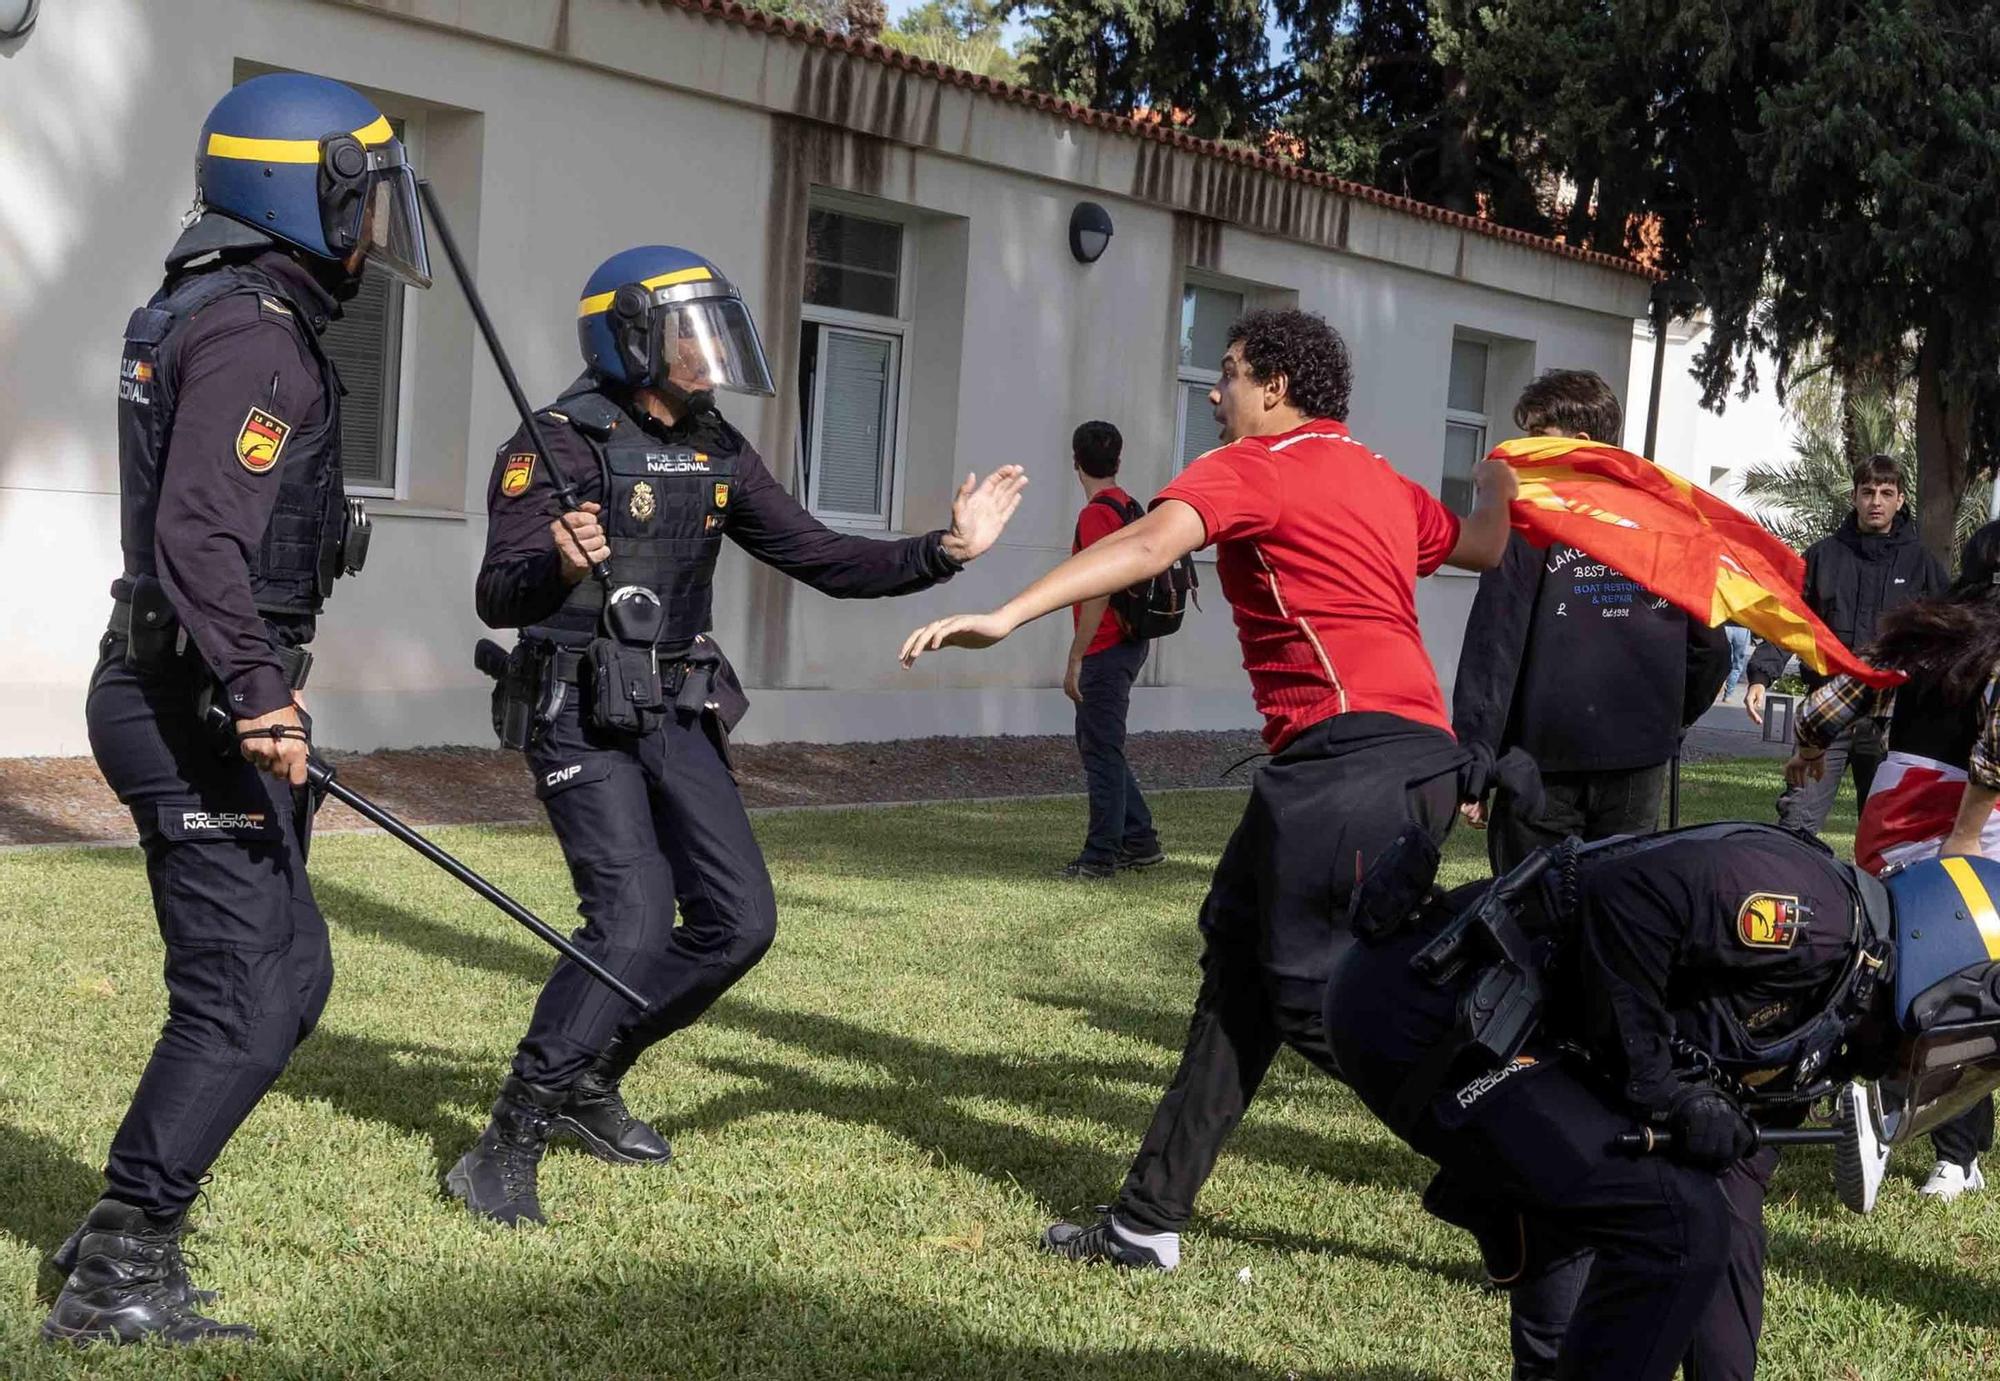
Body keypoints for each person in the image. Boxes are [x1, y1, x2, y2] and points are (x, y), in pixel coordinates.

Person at [900, 308, 1516, 1269]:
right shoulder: (1383, 478)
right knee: (1240, 972)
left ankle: (1529, 1165)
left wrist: (1008, 614)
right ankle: (1147, 1219)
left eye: (1227, 373)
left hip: (1347, 766)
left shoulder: (1254, 466)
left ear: (1275, 386)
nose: (1215, 392)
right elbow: (1483, 545)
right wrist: (1501, 482)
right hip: (1398, 764)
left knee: (1320, 999)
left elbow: (1150, 544)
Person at [451, 245, 1026, 1227]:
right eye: (692, 335)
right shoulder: (557, 441)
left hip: (677, 702)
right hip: (578, 708)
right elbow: (498, 594)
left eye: (717, 332)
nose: (710, 354)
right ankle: (507, 1140)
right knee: (631, 919)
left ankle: (592, 1074)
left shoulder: (715, 444)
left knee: (738, 920)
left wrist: (947, 550)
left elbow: (822, 556)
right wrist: (557, 563)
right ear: (631, 338)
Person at [44, 74, 433, 1346]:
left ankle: (113, 1237)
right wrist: (260, 693)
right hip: (192, 701)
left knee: (284, 972)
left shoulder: (205, 306)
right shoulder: (257, 332)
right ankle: (117, 1272)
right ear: (301, 194)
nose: (372, 228)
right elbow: (200, 533)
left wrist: (258, 679)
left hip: (188, 685)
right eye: (361, 200)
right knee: (253, 985)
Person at [1326, 822, 2000, 1380]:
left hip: (1510, 1036)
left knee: (1652, 1231)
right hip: (1432, 1008)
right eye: (1956, 1052)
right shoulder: (1817, 916)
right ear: (1940, 974)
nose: (1936, 1073)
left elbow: (1732, 1201)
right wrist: (1661, 1086)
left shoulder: (1835, 1017)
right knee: (1669, 1220)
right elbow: (1630, 896)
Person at [1783, 519, 2000, 1202]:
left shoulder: (1925, 630)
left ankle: (1882, 1103)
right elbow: (1995, 752)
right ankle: (1950, 1151)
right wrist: (1965, 838)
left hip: (1894, 806)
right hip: (1972, 819)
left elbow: (1831, 700)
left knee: (1886, 961)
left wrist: (1810, 747)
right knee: (1965, 982)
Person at [1453, 370, 1730, 871]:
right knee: (1618, 903)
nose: (1522, 453)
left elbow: (1495, 646)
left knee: (1530, 904)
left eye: (1537, 438)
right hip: (1626, 756)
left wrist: (1477, 755)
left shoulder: (1529, 519)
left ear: (1581, 442)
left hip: (1544, 762)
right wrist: (1664, 720)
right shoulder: (1667, 522)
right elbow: (1710, 649)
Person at [1745, 455, 1948, 833]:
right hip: (1827, 710)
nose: (1876, 501)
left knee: (1890, 834)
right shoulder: (1823, 556)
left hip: (1891, 718)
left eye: (1886, 493)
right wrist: (1760, 675)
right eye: (1868, 492)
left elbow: (1948, 634)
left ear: (1900, 500)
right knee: (1796, 822)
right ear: (1854, 497)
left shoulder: (1921, 563)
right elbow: (1790, 619)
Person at [1059, 420, 1162, 881]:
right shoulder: (1128, 506)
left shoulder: (1096, 515)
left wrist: (1076, 656)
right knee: (1102, 745)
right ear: (1117, 460)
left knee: (1100, 752)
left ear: (1076, 462)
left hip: (1105, 648)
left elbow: (1098, 590)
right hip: (1130, 643)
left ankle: (1099, 857)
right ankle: (1140, 841)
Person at [1722, 623, 1753, 701]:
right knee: (1737, 665)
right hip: (1742, 628)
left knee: (1721, 660)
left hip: (1726, 625)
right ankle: (1728, 694)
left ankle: (1718, 686)